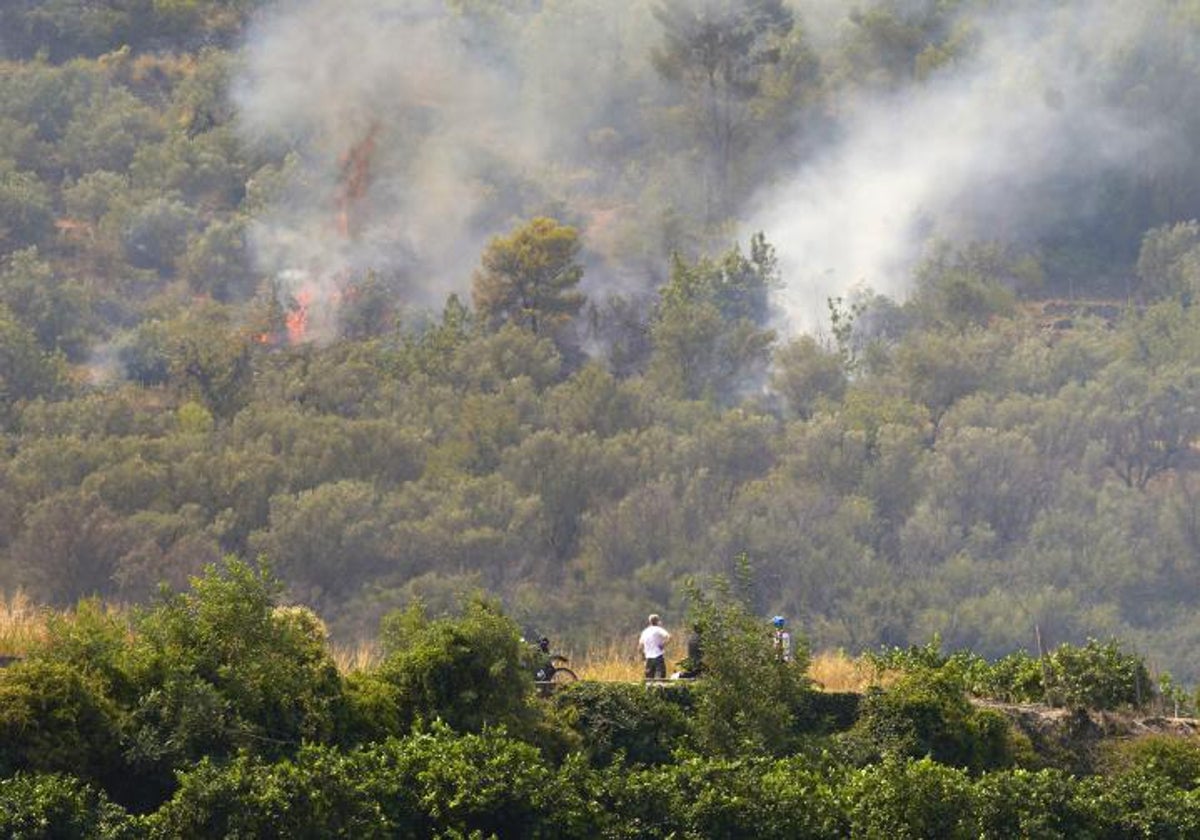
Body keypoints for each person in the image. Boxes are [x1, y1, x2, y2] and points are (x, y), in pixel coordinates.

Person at [638, 613, 671, 680]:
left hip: (648, 658)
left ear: (650, 621)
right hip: (658, 656)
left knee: (649, 679)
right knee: (661, 678)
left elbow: (639, 647)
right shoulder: (658, 629)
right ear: (657, 621)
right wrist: (663, 645)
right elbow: (669, 637)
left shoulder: (645, 631)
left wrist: (643, 657)